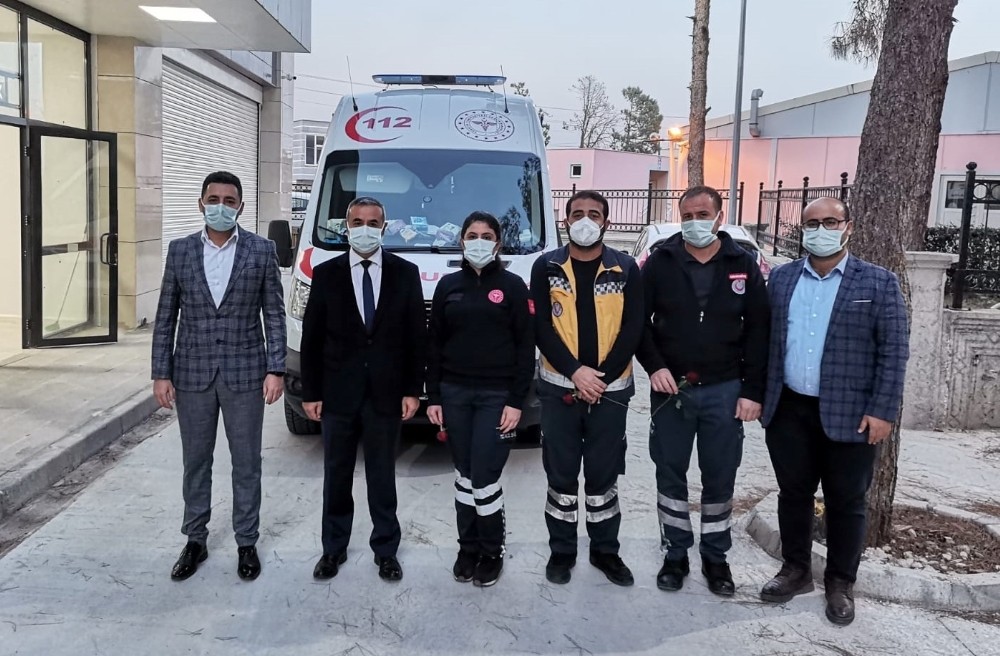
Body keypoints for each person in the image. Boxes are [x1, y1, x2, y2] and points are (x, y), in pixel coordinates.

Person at [759, 196, 909, 626]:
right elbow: (767, 341)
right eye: (812, 224)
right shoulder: (782, 278)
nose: (820, 231)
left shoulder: (878, 282)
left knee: (847, 501)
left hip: (852, 413)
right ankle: (796, 569)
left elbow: (894, 352)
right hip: (789, 408)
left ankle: (841, 583)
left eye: (830, 222)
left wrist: (883, 411)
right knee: (793, 494)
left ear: (848, 227)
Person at [152, 171, 286, 582]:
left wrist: (276, 368)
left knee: (247, 463)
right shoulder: (180, 251)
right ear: (201, 203)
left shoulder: (262, 250)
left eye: (230, 201)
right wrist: (160, 373)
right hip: (192, 373)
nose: (221, 207)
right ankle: (195, 539)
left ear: (241, 207)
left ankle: (247, 541)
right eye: (214, 199)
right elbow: (166, 316)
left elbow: (274, 314)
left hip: (245, 373)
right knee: (196, 462)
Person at [637, 185, 770, 596]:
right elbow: (638, 323)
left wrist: (752, 391)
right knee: (670, 472)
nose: (695, 222)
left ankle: (715, 556)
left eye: (702, 214)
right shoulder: (660, 261)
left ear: (719, 216)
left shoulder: (742, 263)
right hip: (672, 390)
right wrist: (655, 366)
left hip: (725, 390)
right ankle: (675, 553)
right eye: (687, 215)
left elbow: (760, 331)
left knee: (720, 475)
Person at [300, 196, 426, 583]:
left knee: (382, 475)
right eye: (358, 222)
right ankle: (333, 548)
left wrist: (412, 389)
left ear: (384, 228)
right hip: (338, 394)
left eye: (373, 223)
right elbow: (312, 338)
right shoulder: (327, 274)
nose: (365, 229)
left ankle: (385, 550)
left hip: (386, 395)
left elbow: (415, 337)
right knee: (336, 473)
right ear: (347, 227)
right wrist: (310, 392)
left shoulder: (406, 273)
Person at [530, 190, 644, 586]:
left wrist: (601, 378)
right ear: (565, 220)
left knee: (603, 476)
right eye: (577, 213)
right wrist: (576, 372)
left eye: (594, 214)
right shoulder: (546, 266)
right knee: (561, 476)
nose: (585, 220)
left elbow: (633, 327)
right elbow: (541, 326)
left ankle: (605, 551)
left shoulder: (625, 267)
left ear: (606, 222)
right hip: (559, 389)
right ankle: (562, 552)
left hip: (610, 393)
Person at [425, 211, 535, 588]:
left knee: (485, 477)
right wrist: (434, 396)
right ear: (461, 241)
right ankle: (467, 549)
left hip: (496, 396)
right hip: (454, 394)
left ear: (498, 243)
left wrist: (516, 401)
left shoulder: (513, 286)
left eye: (487, 236)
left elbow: (525, 348)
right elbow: (435, 345)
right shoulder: (448, 285)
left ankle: (491, 551)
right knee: (464, 475)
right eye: (472, 235)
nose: (478, 242)